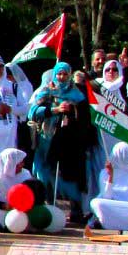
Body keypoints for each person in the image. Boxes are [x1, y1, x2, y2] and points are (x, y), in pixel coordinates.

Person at [28, 62, 91, 222]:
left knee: (68, 174)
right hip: (46, 138)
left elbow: (85, 117)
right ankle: (46, 206)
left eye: (65, 74)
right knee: (44, 173)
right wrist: (55, 109)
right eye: (59, 74)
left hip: (68, 142)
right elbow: (33, 112)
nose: (61, 77)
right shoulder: (46, 91)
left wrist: (72, 110)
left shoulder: (77, 94)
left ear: (70, 75)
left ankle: (75, 209)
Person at [90, 141, 128, 231]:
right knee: (96, 203)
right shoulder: (105, 173)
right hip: (113, 206)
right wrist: (111, 176)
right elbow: (106, 197)